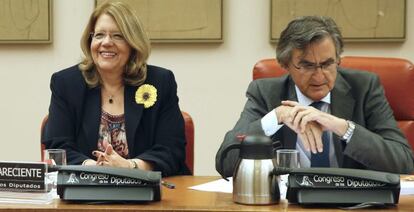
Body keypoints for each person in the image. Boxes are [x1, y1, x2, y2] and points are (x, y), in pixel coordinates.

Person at [216, 16, 414, 177]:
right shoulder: (266, 93)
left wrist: (343, 128)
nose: (319, 76)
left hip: (353, 204)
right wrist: (276, 117)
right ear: (285, 65)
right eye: (307, 65)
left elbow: (405, 163)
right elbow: (226, 162)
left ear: (338, 59)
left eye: (328, 64)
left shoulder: (365, 88)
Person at [43, 1, 190, 176]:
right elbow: (58, 146)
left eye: (117, 36)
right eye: (99, 35)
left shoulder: (160, 81)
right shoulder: (66, 83)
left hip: (148, 193)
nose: (106, 42)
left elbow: (171, 148)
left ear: (133, 43)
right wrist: (93, 167)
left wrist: (130, 167)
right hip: (85, 191)